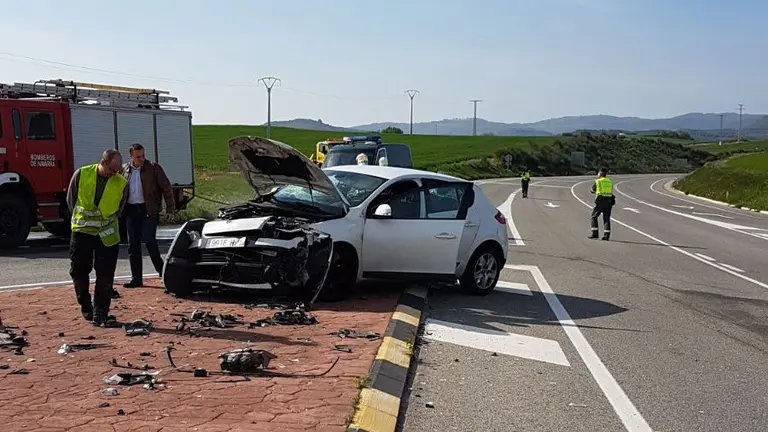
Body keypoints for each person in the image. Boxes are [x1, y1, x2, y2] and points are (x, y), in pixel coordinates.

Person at [66, 149, 129, 326]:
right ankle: (86, 306)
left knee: (105, 275)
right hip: (82, 232)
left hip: (107, 236)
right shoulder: (81, 174)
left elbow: (120, 208)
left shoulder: (121, 183)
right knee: (79, 270)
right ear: (103, 163)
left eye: (117, 170)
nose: (113, 174)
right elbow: (71, 201)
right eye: (111, 169)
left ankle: (100, 313)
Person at [120, 143, 177, 288]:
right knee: (133, 245)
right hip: (131, 210)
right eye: (138, 157)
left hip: (148, 210)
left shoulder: (153, 168)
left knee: (150, 241)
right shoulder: (124, 170)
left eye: (143, 155)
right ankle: (136, 279)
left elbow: (166, 188)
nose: (141, 159)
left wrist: (170, 209)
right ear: (131, 156)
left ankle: (164, 273)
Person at [589, 168, 615, 241]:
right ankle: (606, 236)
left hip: (600, 200)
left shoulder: (598, 181)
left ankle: (595, 233)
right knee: (606, 219)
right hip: (609, 201)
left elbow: (592, 190)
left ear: (600, 174)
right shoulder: (609, 181)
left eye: (598, 173)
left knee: (594, 216)